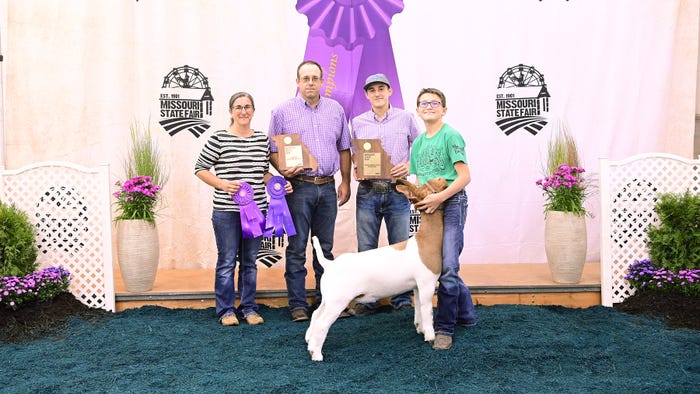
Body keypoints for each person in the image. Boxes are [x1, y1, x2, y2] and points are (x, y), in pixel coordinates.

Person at [195, 92, 292, 326]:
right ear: (230, 111)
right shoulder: (218, 138)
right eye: (238, 107)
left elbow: (263, 173)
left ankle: (249, 308)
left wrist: (277, 183)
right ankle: (226, 310)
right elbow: (200, 168)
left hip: (256, 211)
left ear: (253, 110)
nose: (243, 111)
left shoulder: (261, 140)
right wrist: (221, 183)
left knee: (250, 262)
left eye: (247, 106)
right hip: (226, 212)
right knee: (227, 261)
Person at [268, 60, 352, 322]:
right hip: (299, 189)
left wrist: (346, 181)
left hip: (327, 187)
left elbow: (344, 149)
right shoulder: (282, 112)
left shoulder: (336, 110)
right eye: (305, 78)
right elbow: (271, 150)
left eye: (315, 78)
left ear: (321, 81)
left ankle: (326, 301)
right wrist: (283, 168)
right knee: (297, 247)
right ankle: (297, 304)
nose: (310, 83)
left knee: (325, 249)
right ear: (297, 82)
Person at [409, 87, 477, 350]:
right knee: (436, 264)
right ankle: (467, 314)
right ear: (417, 110)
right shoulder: (417, 143)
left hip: (451, 203)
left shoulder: (451, 135)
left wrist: (441, 198)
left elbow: (464, 176)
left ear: (444, 110)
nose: (428, 107)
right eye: (423, 103)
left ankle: (444, 328)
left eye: (434, 103)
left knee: (448, 266)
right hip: (426, 206)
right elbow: (418, 181)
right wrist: (415, 213)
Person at [348, 73, 421, 316]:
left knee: (400, 248)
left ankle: (401, 300)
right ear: (366, 95)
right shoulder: (358, 122)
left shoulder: (406, 118)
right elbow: (353, 154)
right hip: (368, 191)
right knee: (366, 249)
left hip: (398, 190)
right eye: (372, 90)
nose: (377, 93)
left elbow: (422, 147)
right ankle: (367, 300)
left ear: (390, 91)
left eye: (381, 88)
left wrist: (410, 165)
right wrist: (357, 167)